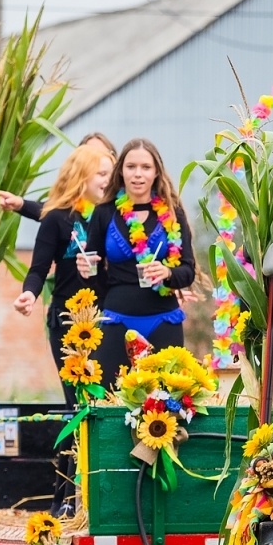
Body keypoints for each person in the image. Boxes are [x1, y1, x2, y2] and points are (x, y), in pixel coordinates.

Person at [85, 138, 198, 385]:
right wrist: (85, 270)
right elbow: (93, 271)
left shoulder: (173, 212)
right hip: (116, 319)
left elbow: (188, 271)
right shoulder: (104, 212)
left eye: (145, 167)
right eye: (131, 167)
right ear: (121, 171)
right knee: (110, 398)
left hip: (163, 320)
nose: (138, 174)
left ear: (156, 172)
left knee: (166, 399)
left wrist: (167, 273)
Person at [11, 141, 113, 403]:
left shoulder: (115, 217)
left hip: (108, 316)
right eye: (102, 174)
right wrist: (29, 294)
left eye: (111, 175)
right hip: (67, 319)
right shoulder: (57, 218)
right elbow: (38, 270)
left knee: (109, 397)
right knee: (78, 399)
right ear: (82, 176)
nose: (108, 180)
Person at [0, 132, 117, 219]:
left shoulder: (122, 197)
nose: (98, 158)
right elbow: (52, 210)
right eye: (89, 153)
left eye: (104, 153)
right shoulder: (69, 207)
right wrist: (20, 204)